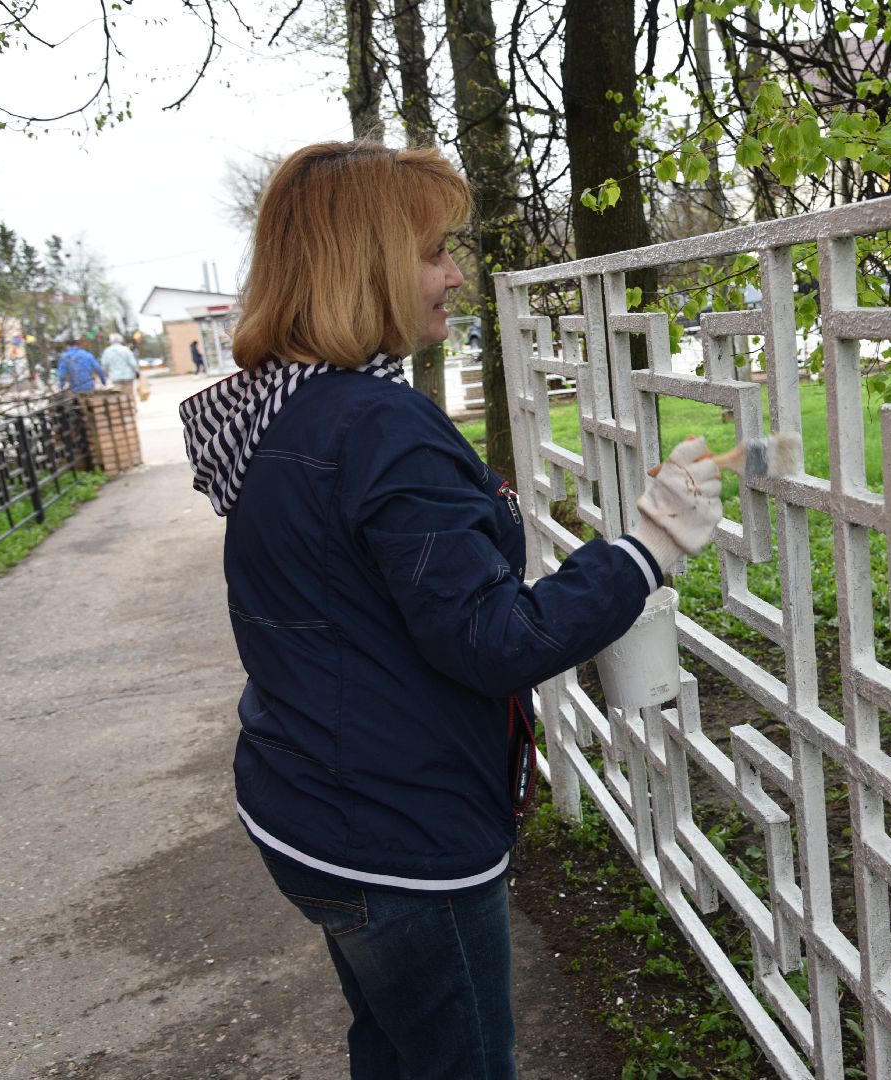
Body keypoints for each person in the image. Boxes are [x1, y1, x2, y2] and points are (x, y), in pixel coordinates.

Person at [179, 140, 722, 1079]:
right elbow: (493, 639)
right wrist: (648, 552)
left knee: (394, 1047)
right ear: (369, 264)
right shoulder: (376, 427)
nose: (454, 274)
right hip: (397, 841)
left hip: (306, 808)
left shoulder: (281, 418)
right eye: (434, 251)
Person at [100, 333, 141, 401]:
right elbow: (133, 363)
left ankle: (124, 409)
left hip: (115, 378)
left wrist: (105, 375)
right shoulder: (126, 350)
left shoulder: (107, 351)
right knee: (129, 395)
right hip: (128, 377)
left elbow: (104, 365)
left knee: (119, 397)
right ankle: (131, 409)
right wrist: (137, 372)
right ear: (120, 340)